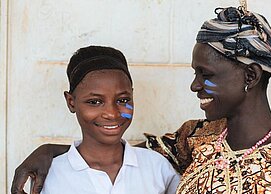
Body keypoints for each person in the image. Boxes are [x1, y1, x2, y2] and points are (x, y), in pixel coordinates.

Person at [12, 6, 271, 194]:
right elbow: (109, 149)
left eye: (205, 73)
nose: (195, 85)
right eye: (194, 72)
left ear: (250, 76)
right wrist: (49, 152)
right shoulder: (196, 138)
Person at [20, 45, 180, 194]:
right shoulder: (48, 176)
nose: (111, 113)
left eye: (123, 100)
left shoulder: (157, 168)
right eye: (94, 102)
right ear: (71, 102)